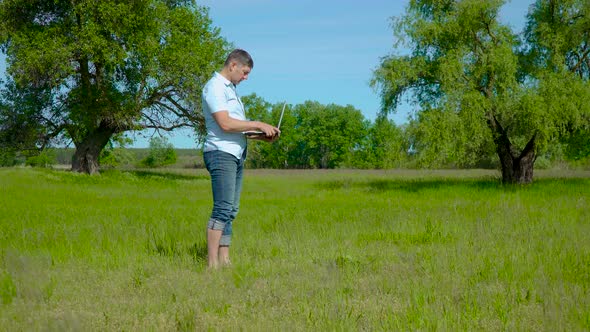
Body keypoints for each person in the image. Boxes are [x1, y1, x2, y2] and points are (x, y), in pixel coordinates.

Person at [201, 49, 280, 269]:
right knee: (222, 208)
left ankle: (225, 259)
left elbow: (236, 128)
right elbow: (225, 124)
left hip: (235, 153)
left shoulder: (231, 89)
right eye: (244, 72)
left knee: (231, 209)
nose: (245, 78)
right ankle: (212, 264)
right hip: (220, 153)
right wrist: (257, 123)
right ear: (233, 65)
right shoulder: (215, 87)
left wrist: (263, 136)